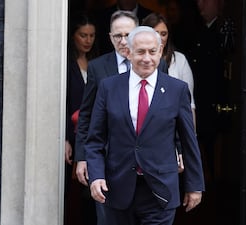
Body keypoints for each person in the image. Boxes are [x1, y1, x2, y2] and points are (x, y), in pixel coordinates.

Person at [85, 25, 205, 225]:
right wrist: (96, 176)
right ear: (129, 53)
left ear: (160, 53)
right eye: (140, 52)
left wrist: (195, 185)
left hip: (160, 190)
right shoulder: (109, 87)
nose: (147, 58)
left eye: (152, 51)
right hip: (116, 188)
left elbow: (188, 141)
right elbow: (95, 139)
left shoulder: (177, 90)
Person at [74, 10, 168, 225]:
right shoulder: (98, 67)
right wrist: (82, 156)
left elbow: (167, 110)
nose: (124, 41)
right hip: (108, 160)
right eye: (118, 36)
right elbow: (86, 114)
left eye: (128, 34)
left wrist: (177, 149)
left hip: (147, 164)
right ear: (110, 37)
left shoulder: (156, 64)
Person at [182, 0, 229, 181]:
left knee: (216, 157)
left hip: (216, 103)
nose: (200, 5)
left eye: (206, 0)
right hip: (200, 102)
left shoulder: (224, 29)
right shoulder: (198, 30)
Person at [65, 13, 99, 225]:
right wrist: (66, 138)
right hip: (71, 131)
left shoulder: (99, 62)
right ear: (73, 36)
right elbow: (63, 103)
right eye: (83, 35)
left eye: (92, 35)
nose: (88, 40)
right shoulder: (64, 63)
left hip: (94, 133)